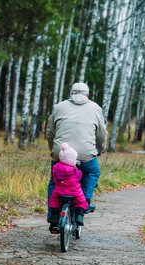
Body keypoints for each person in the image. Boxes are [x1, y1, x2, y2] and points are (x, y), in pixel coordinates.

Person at [46, 82, 107, 224]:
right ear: (87, 95)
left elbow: (50, 133)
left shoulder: (59, 106)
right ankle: (84, 202)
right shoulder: (95, 108)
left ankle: (53, 214)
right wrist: (100, 149)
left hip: (61, 152)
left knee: (54, 181)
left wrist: (54, 151)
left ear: (71, 94)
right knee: (93, 172)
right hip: (86, 155)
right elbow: (101, 134)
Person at [48, 143, 87, 227]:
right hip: (74, 191)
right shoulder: (74, 170)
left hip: (59, 190)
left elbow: (55, 178)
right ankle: (79, 215)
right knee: (81, 199)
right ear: (72, 160)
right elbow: (78, 178)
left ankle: (54, 215)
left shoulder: (56, 168)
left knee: (54, 199)